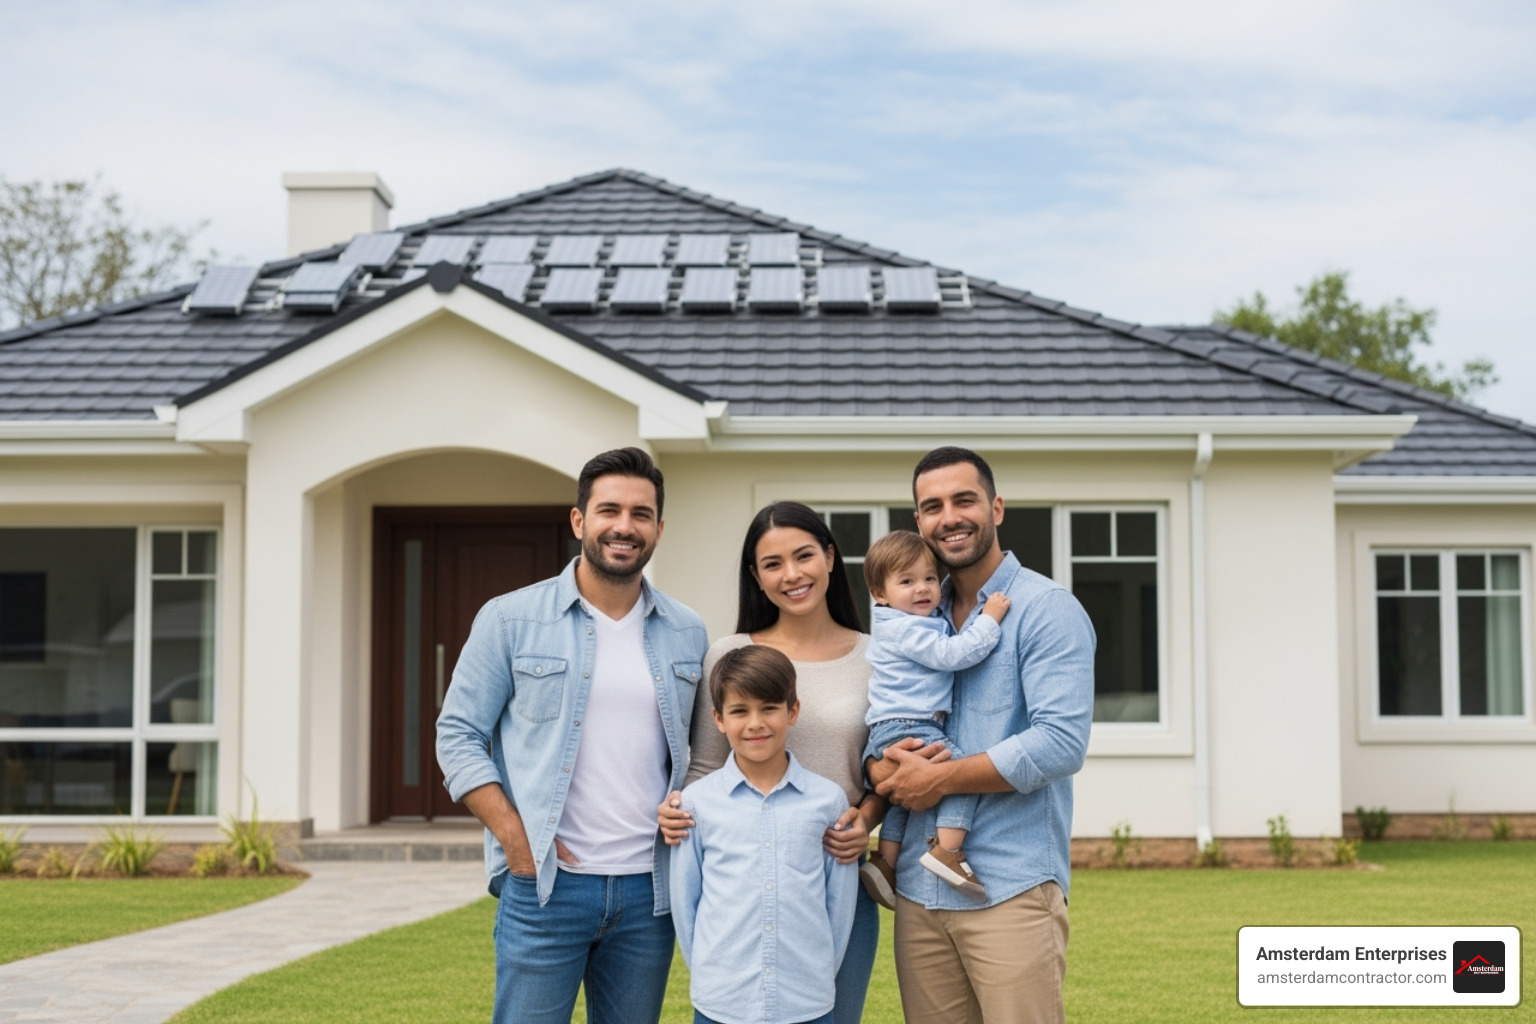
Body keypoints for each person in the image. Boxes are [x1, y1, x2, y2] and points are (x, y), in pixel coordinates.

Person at [436, 447, 708, 1024]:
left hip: (648, 891)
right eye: (609, 510)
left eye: (641, 514)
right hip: (546, 885)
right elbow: (457, 734)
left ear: (659, 529)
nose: (624, 526)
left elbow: (701, 752)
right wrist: (516, 837)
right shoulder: (510, 619)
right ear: (579, 520)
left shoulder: (687, 630)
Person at [870, 447, 1095, 1024]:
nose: (949, 516)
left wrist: (937, 777)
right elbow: (880, 711)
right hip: (919, 894)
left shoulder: (1047, 610)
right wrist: (880, 769)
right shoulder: (916, 611)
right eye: (932, 506)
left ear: (995, 506)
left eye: (963, 499)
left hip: (1010, 888)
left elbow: (1059, 743)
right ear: (918, 522)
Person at [659, 500, 884, 1024]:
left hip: (834, 873)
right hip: (741, 888)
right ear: (757, 578)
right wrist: (677, 810)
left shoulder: (878, 658)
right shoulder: (730, 653)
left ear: (830, 557)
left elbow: (890, 771)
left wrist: (866, 822)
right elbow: (706, 768)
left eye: (803, 556)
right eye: (772, 564)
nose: (792, 575)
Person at [671, 644, 859, 1024]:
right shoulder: (696, 804)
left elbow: (839, 907)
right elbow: (685, 902)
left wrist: (817, 976)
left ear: (793, 711)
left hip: (807, 1001)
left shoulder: (828, 802)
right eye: (740, 711)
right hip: (722, 1002)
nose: (755, 723)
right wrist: (712, 977)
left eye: (769, 708)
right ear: (719, 719)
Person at [856, 529, 1010, 907]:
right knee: (962, 775)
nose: (922, 588)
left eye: (928, 578)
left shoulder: (906, 621)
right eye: (906, 581)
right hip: (911, 724)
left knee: (906, 797)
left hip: (891, 727)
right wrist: (989, 619)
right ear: (880, 594)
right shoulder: (906, 628)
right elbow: (952, 655)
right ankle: (948, 851)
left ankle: (886, 861)